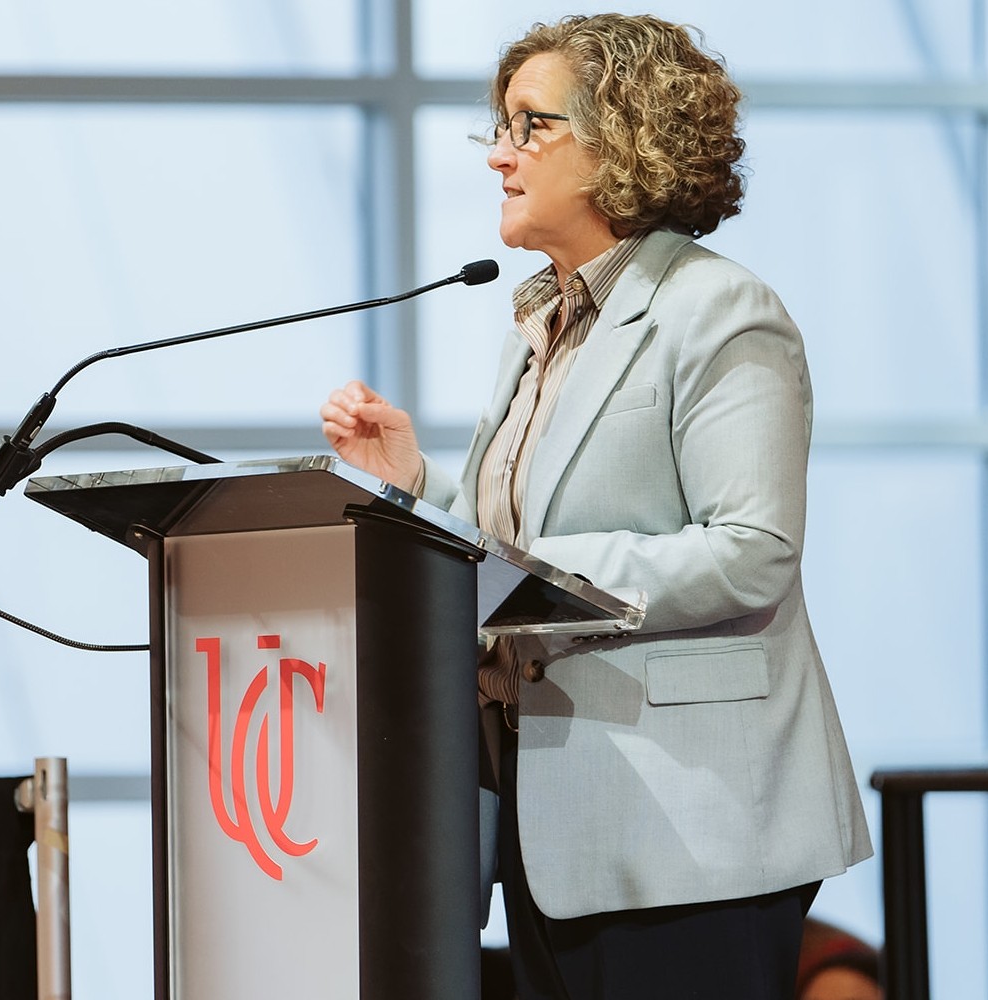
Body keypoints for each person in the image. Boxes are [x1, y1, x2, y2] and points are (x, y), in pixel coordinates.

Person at [320, 13, 872, 999]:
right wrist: (415, 484)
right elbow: (509, 550)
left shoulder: (717, 309)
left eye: (529, 125)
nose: (498, 154)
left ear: (621, 136)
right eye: (497, 126)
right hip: (550, 823)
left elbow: (750, 550)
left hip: (691, 829)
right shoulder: (538, 323)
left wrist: (540, 580)